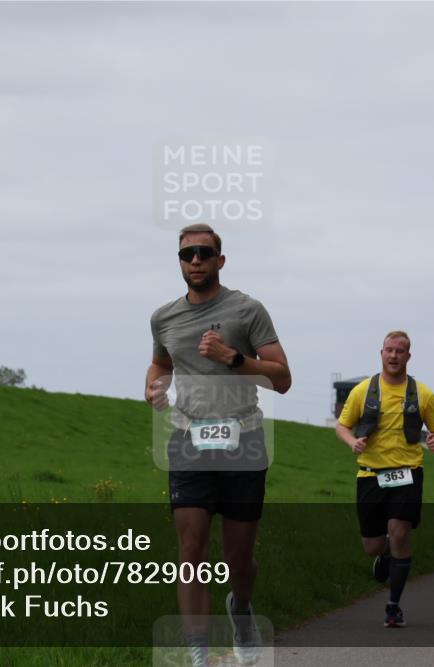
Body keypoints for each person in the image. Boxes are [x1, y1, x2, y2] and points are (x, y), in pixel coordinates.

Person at [146, 223, 292, 667]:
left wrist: (233, 358)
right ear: (179, 261)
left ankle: (241, 608)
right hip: (188, 438)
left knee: (238, 558)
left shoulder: (248, 310)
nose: (195, 261)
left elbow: (282, 378)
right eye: (187, 254)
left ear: (219, 261)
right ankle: (197, 652)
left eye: (204, 254)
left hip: (243, 439)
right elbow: (159, 365)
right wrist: (154, 389)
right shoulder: (163, 318)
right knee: (190, 549)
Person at [335, 331, 434, 628]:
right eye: (389, 350)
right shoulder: (363, 391)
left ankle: (393, 605)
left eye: (400, 351)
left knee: (399, 534)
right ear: (381, 353)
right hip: (371, 475)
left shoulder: (422, 393)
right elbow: (342, 426)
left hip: (408, 472)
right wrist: (352, 443)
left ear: (408, 356)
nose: (394, 355)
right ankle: (384, 554)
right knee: (372, 546)